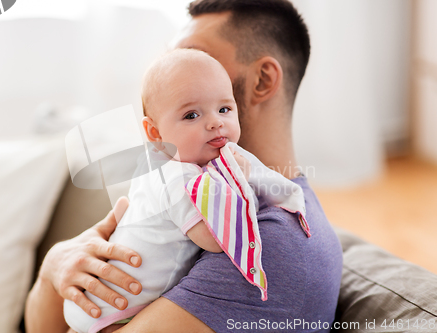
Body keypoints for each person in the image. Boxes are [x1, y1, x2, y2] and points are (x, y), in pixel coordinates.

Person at [25, 1, 343, 332]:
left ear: (262, 80)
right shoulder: (180, 181)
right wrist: (53, 269)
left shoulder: (268, 241)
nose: (179, 71)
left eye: (197, 57)